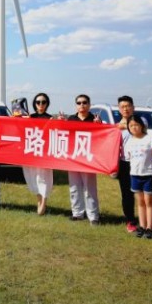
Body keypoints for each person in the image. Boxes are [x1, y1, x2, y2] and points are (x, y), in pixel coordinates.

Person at [117, 96, 152, 236]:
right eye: (122, 106)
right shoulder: (116, 126)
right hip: (127, 164)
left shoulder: (139, 121)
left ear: (133, 107)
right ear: (119, 109)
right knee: (128, 194)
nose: (125, 108)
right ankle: (132, 221)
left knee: (151, 197)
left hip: (146, 166)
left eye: (128, 106)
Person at [124, 115, 152, 239]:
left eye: (136, 125)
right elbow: (128, 158)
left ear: (142, 126)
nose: (134, 128)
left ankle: (150, 228)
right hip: (135, 175)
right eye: (131, 126)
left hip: (149, 174)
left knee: (149, 202)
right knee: (140, 202)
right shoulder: (129, 141)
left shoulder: (150, 139)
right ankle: (142, 226)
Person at [66, 94, 100, 225]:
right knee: (74, 187)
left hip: (88, 158)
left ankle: (93, 216)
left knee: (89, 188)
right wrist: (61, 123)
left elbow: (101, 137)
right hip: (73, 157)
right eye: (79, 103)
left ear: (89, 105)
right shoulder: (71, 119)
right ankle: (77, 213)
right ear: (76, 105)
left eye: (84, 102)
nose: (82, 105)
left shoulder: (95, 119)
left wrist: (98, 125)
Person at [23, 92, 55, 215]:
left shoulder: (50, 118)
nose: (40, 104)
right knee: (33, 176)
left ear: (47, 104)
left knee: (44, 177)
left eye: (43, 102)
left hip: (45, 152)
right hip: (32, 151)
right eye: (38, 102)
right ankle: (38, 200)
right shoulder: (30, 116)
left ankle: (44, 202)